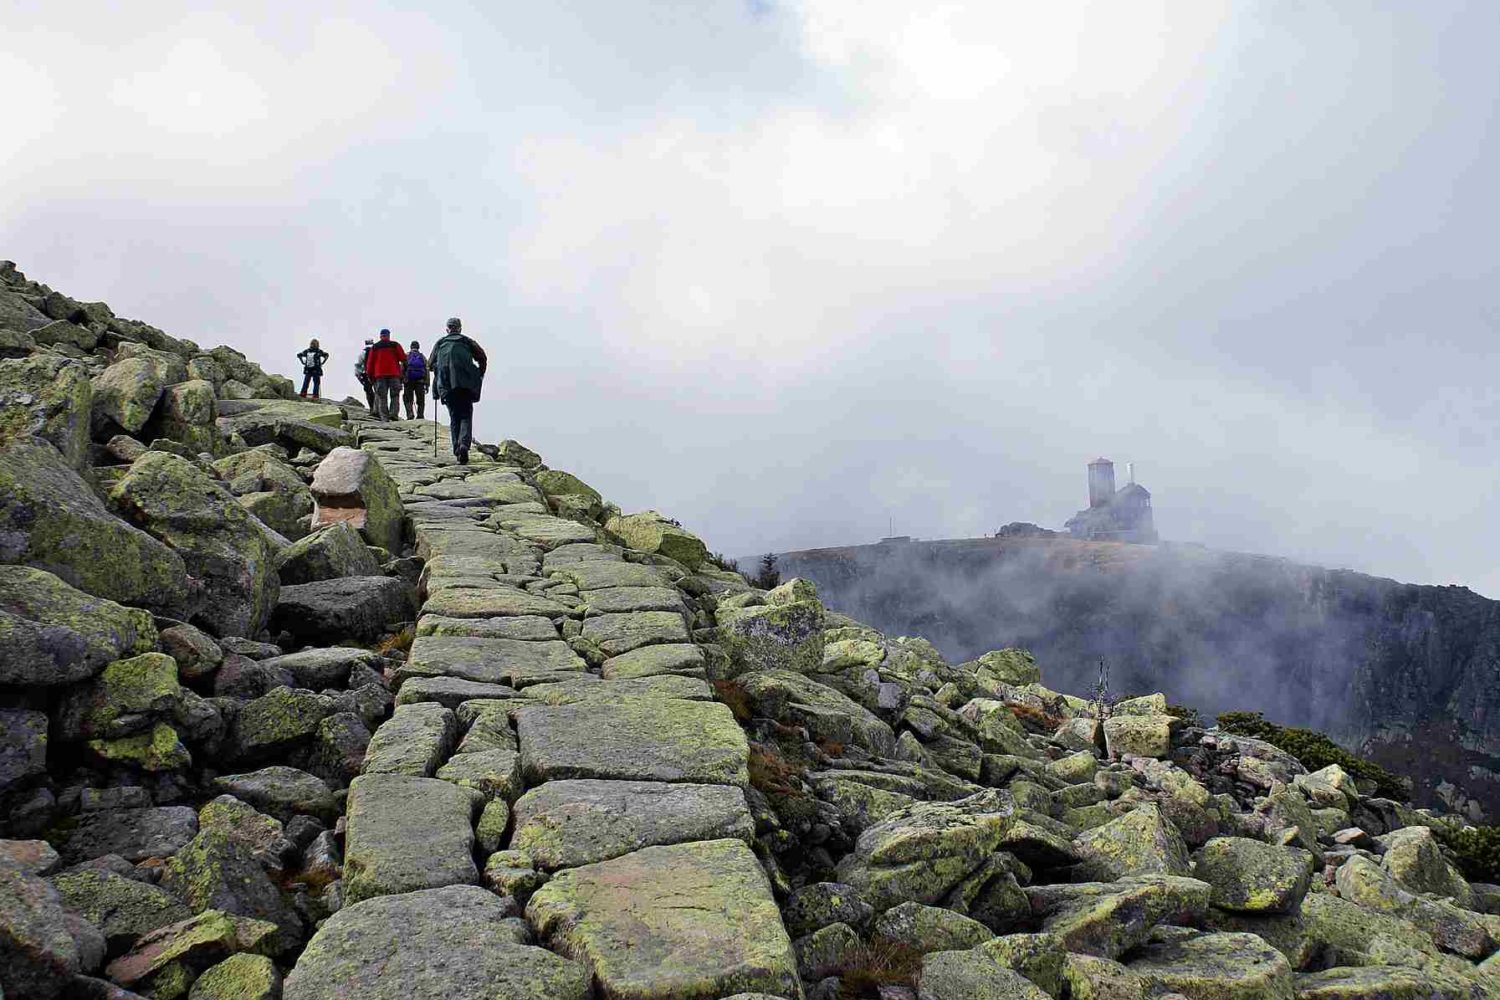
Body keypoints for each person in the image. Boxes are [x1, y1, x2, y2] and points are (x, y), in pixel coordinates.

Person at [431, 317, 487, 463]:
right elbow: (482, 357)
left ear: (447, 329)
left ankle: (457, 448)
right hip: (465, 385)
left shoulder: (441, 343)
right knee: (466, 416)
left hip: (446, 386)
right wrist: (479, 374)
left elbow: (430, 364)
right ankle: (463, 445)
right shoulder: (467, 341)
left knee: (454, 417)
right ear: (460, 328)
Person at [363, 328, 407, 420]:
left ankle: (384, 417)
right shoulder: (395, 345)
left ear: (380, 336)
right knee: (395, 395)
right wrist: (403, 372)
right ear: (389, 335)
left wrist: (370, 376)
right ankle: (393, 415)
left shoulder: (375, 347)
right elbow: (403, 358)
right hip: (394, 374)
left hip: (379, 375)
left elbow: (370, 364)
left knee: (382, 396)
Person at [402, 340, 430, 420]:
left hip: (408, 381)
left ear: (411, 347)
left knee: (408, 399)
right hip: (420, 381)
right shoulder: (422, 357)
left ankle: (410, 414)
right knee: (421, 400)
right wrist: (427, 384)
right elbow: (427, 370)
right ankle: (420, 415)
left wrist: (402, 380)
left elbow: (402, 369)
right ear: (418, 347)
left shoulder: (407, 356)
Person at [354, 339, 376, 411]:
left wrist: (358, 375)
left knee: (369, 392)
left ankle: (372, 407)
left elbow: (358, 365)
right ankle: (378, 408)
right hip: (377, 374)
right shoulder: (376, 351)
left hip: (366, 374)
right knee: (378, 392)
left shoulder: (363, 353)